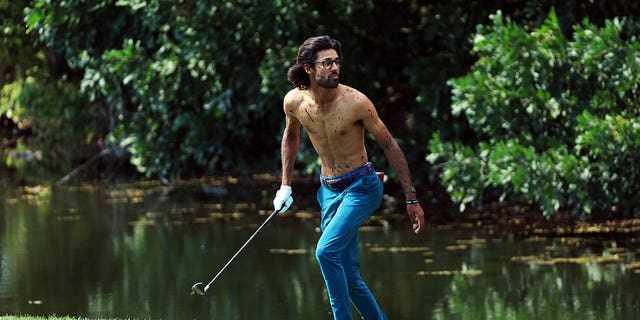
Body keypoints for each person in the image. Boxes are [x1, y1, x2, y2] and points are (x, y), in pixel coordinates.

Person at [272, 35, 426, 320]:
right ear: (308, 67)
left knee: (325, 252)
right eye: (327, 62)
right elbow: (291, 136)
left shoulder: (356, 103)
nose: (335, 68)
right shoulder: (294, 102)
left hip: (362, 187)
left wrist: (411, 198)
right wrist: (285, 185)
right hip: (329, 190)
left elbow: (390, 145)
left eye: (337, 62)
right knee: (349, 277)